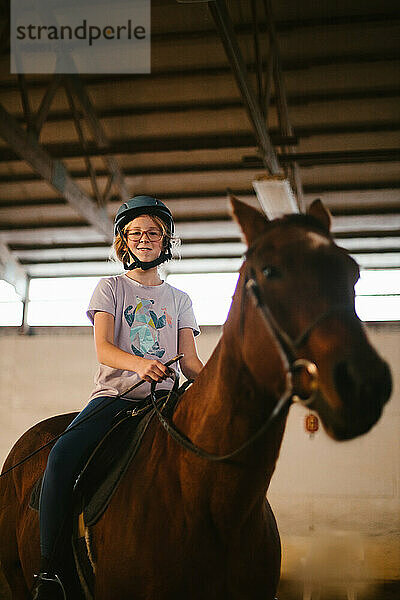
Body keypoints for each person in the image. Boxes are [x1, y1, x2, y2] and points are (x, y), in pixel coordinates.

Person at [33, 196, 203, 599]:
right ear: (123, 243)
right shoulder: (110, 288)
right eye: (136, 233)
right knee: (59, 457)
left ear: (166, 242)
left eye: (154, 232)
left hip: (166, 401)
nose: (145, 239)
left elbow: (192, 363)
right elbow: (104, 350)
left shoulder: (180, 299)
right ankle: (51, 573)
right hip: (117, 397)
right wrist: (140, 365)